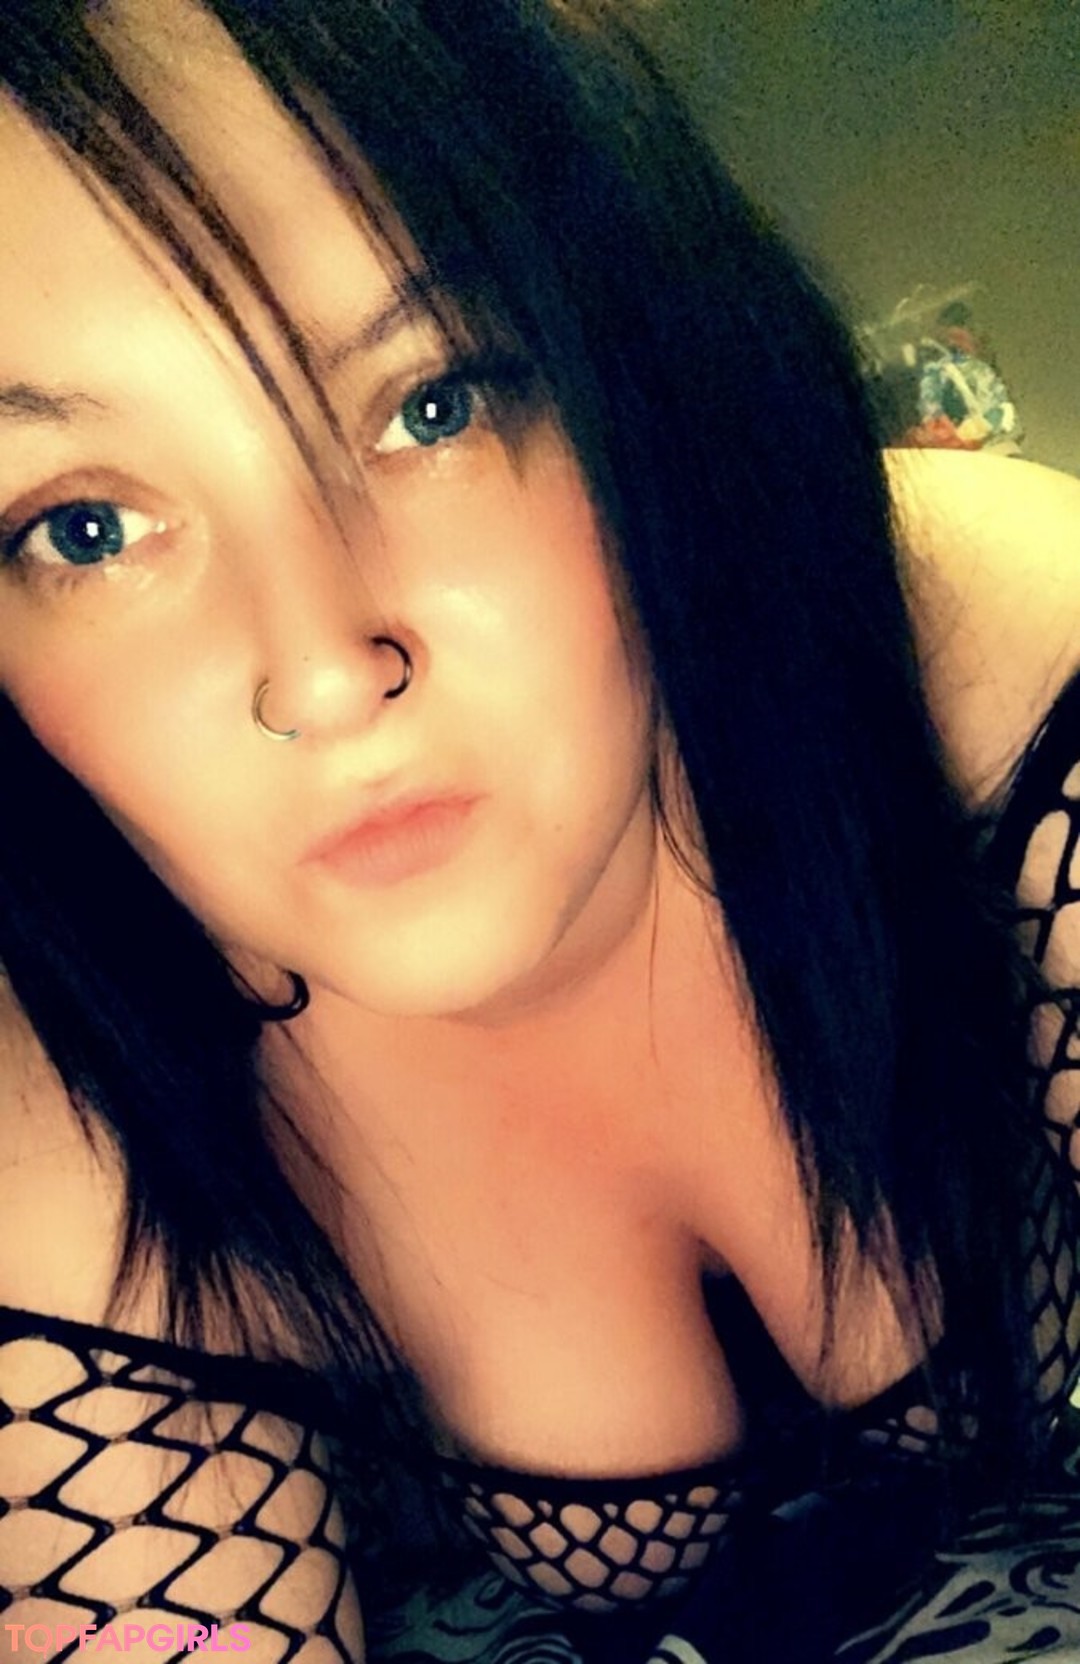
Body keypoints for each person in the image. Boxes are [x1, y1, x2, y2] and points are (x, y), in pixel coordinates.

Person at [1, 4, 1080, 1662]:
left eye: (430, 405)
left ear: (625, 362)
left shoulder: (986, 658)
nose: (323, 669)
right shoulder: (70, 1086)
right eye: (84, 528)